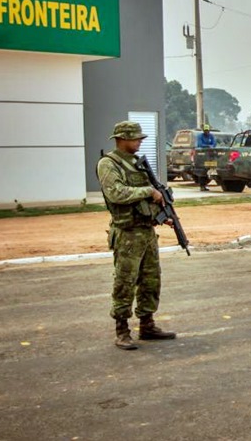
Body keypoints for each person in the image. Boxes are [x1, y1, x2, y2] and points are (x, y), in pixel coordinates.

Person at [97, 121, 177, 350]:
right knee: (125, 282)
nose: (140, 142)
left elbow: (144, 201)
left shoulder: (136, 163)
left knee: (151, 280)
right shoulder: (108, 164)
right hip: (127, 233)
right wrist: (149, 191)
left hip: (146, 231)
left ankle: (147, 324)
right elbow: (116, 193)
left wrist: (162, 215)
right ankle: (122, 330)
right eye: (136, 138)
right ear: (122, 139)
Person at [195, 124, 217, 191]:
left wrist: (211, 146)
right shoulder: (200, 136)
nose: (206, 132)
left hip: (210, 156)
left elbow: (214, 143)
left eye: (207, 130)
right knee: (202, 171)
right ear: (203, 130)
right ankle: (202, 186)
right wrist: (208, 146)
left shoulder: (211, 136)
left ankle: (205, 185)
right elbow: (200, 144)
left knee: (209, 171)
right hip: (202, 156)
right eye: (205, 130)